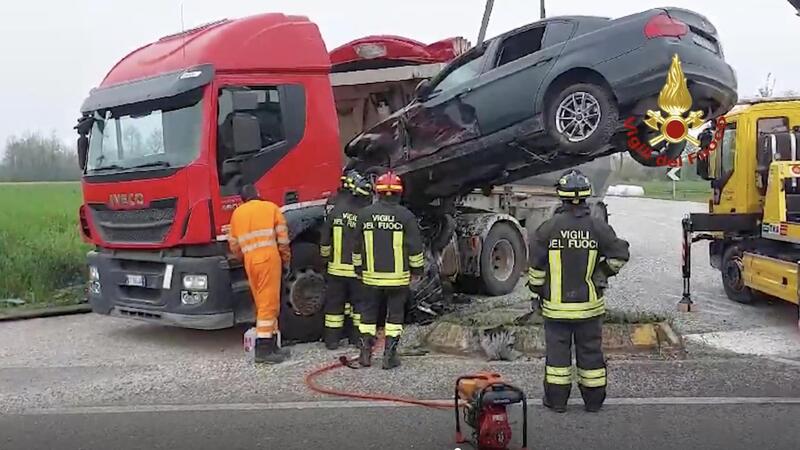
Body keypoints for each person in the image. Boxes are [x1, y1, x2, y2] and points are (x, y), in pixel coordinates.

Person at [527, 169, 629, 412]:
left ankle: (557, 401)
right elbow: (620, 255)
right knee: (591, 354)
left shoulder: (547, 229)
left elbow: (536, 270)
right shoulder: (597, 227)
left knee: (558, 359)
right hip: (589, 309)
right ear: (586, 198)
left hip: (555, 309)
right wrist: (602, 272)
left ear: (561, 198)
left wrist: (537, 292)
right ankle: (593, 403)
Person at [352, 170, 425, 369]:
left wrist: (358, 268)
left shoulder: (364, 214)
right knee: (394, 317)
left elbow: (356, 246)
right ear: (400, 193)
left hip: (370, 278)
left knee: (367, 316)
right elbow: (415, 247)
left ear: (378, 191)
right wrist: (417, 269)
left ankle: (364, 354)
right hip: (397, 278)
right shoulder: (406, 216)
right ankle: (389, 357)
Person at [228, 184, 291, 364]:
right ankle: (264, 349)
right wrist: (285, 259)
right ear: (258, 194)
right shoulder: (270, 208)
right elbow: (283, 238)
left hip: (250, 261)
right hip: (268, 259)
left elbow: (233, 245)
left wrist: (246, 256)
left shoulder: (237, 214)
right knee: (268, 304)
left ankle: (272, 345)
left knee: (262, 302)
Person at [319, 170, 373, 349]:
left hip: (335, 270)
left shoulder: (335, 212)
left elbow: (325, 240)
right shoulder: (363, 215)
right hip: (357, 271)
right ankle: (356, 339)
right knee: (358, 306)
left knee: (334, 307)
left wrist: (325, 259)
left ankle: (332, 341)